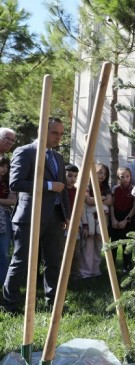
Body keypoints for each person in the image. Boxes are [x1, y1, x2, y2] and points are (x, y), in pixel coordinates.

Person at [2, 118, 70, 314]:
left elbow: (63, 190)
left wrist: (67, 215)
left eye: (61, 133)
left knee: (53, 261)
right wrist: (48, 186)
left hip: (55, 218)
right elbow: (16, 183)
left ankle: (53, 302)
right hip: (29, 217)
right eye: (54, 133)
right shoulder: (25, 152)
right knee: (21, 261)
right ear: (42, 131)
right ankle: (10, 304)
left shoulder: (57, 157)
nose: (58, 137)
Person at [80, 163, 113, 279]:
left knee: (99, 244)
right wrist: (102, 198)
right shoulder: (86, 185)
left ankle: (95, 270)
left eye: (105, 173)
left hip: (102, 219)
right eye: (100, 172)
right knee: (88, 245)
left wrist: (97, 200)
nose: (102, 175)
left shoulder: (106, 187)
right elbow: (88, 201)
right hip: (89, 219)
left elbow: (110, 201)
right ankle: (85, 272)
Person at [110, 166, 135, 274]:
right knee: (114, 243)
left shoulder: (133, 189)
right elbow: (112, 205)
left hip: (128, 219)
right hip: (116, 217)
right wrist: (113, 219)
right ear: (118, 177)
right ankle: (112, 266)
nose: (125, 179)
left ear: (130, 177)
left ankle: (126, 265)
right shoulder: (115, 189)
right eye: (122, 177)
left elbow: (134, 207)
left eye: (127, 176)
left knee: (127, 244)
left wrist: (126, 220)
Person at [64, 164, 87, 280]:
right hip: (62, 225)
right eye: (69, 176)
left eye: (75, 176)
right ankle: (62, 276)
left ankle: (75, 275)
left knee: (75, 253)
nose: (72, 179)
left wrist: (85, 225)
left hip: (75, 225)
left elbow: (81, 209)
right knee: (62, 252)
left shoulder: (77, 192)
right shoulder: (60, 191)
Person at [0, 156, 16, 286]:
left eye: (6, 167)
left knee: (5, 251)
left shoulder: (7, 183)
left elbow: (13, 201)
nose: (4, 169)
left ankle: (3, 280)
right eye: (2, 166)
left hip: (5, 217)